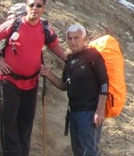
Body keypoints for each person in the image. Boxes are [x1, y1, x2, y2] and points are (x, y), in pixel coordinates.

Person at [0, 0, 67, 156]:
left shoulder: (44, 28)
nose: (34, 8)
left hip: (31, 83)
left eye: (38, 5)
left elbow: (53, 45)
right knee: (9, 123)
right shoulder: (14, 24)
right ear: (26, 6)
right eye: (31, 5)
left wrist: (69, 60)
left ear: (44, 8)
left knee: (25, 124)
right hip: (9, 81)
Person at [41, 24, 109, 156]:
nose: (73, 41)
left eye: (76, 38)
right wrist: (49, 75)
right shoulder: (70, 61)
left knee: (89, 151)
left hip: (90, 112)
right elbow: (64, 85)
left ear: (84, 39)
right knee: (77, 151)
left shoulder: (93, 56)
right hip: (74, 113)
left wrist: (100, 110)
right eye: (70, 38)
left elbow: (104, 82)